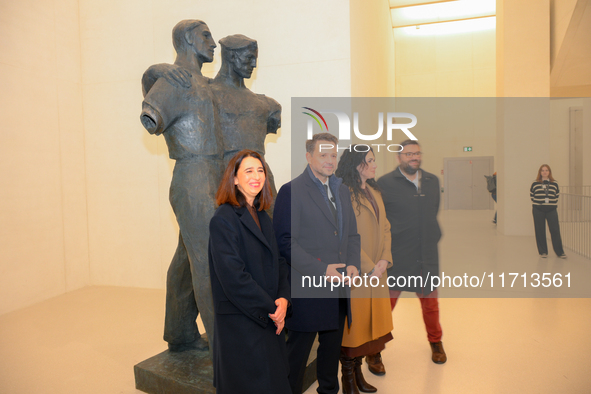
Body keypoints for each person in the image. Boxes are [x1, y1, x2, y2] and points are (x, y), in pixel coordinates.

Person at [139, 19, 222, 353]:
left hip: (212, 175)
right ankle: (224, 344)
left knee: (188, 257)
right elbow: (151, 115)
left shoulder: (202, 82)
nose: (213, 43)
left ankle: (179, 331)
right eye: (206, 36)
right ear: (188, 40)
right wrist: (154, 74)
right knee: (208, 260)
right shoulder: (175, 80)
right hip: (193, 177)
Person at [273, 133, 361, 394]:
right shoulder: (291, 191)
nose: (330, 160)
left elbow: (352, 235)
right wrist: (322, 270)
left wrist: (353, 264)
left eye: (333, 155)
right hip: (307, 290)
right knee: (296, 358)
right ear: (309, 156)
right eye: (323, 155)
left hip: (338, 290)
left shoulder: (342, 190)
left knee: (330, 353)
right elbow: (286, 242)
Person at [208, 150, 291, 393]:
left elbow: (280, 262)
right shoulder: (222, 219)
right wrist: (272, 308)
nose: (257, 176)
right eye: (248, 171)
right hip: (242, 322)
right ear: (234, 179)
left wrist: (284, 299)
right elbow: (234, 278)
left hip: (269, 316)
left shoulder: (263, 215)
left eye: (260, 170)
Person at [377, 139, 447, 364]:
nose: (414, 157)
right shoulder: (385, 183)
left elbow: (431, 212)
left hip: (426, 254)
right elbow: (381, 219)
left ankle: (436, 342)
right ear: (399, 157)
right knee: (386, 305)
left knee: (430, 305)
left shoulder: (431, 181)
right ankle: (374, 348)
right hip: (397, 254)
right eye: (408, 154)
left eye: (416, 153)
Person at [335, 147, 394, 394]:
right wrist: (369, 266)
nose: (374, 165)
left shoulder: (373, 191)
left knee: (366, 331)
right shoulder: (342, 193)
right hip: (356, 272)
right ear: (357, 164)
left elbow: (386, 227)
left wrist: (384, 260)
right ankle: (348, 379)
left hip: (377, 272)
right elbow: (342, 235)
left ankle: (358, 375)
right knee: (353, 330)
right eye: (370, 161)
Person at [530, 164, 567, 258]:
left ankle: (560, 252)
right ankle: (543, 251)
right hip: (538, 209)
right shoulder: (535, 183)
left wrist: (550, 203)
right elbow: (532, 195)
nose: (544, 172)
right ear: (540, 172)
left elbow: (556, 195)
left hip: (551, 209)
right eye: (542, 170)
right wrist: (540, 203)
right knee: (540, 230)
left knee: (555, 230)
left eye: (546, 170)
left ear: (549, 172)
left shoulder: (555, 183)